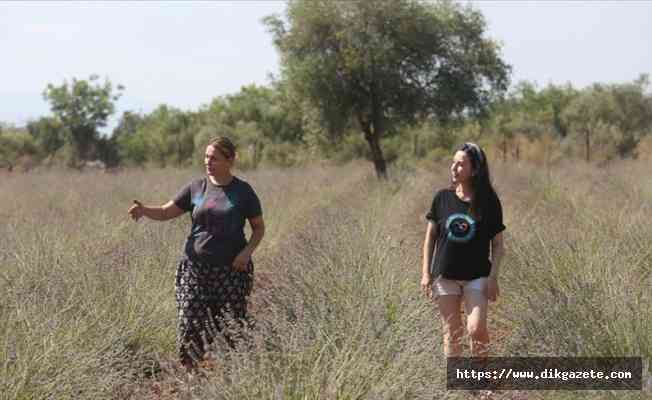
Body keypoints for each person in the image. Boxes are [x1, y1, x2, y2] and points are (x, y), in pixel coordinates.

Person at [128, 136, 265, 371]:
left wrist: (246, 253)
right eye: (206, 156)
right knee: (189, 321)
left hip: (231, 270)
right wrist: (144, 210)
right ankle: (191, 376)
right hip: (194, 268)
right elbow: (165, 212)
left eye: (214, 158)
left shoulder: (243, 192)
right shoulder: (196, 187)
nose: (208, 161)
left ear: (230, 160)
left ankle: (232, 375)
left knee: (231, 326)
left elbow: (259, 228)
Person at [421, 142, 505, 358]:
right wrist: (426, 273)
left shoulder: (489, 201)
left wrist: (493, 277)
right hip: (445, 276)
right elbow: (430, 237)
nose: (454, 168)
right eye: (453, 163)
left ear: (474, 169)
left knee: (476, 329)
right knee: (452, 332)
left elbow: (497, 244)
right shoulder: (442, 198)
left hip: (476, 276)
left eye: (460, 164)